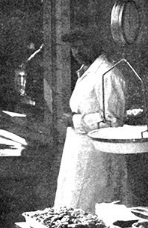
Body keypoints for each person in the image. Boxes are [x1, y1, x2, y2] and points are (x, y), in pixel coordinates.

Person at [54, 30, 131, 212]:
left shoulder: (109, 74)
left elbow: (113, 122)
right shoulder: (87, 73)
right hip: (79, 152)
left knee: (90, 205)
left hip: (97, 156)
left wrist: (76, 121)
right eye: (73, 47)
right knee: (72, 203)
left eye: (82, 46)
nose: (77, 52)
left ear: (97, 45)